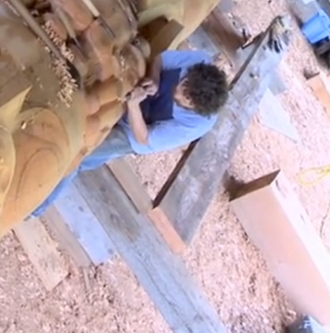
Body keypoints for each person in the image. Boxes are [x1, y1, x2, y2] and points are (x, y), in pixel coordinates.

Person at [31, 49, 229, 216]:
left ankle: (36, 207)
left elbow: (144, 138)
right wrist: (154, 78)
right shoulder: (199, 62)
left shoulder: (195, 125)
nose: (177, 89)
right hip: (139, 98)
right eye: (184, 82)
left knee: (79, 154)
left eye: (184, 96)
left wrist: (134, 105)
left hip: (133, 134)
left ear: (193, 106)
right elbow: (161, 59)